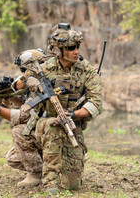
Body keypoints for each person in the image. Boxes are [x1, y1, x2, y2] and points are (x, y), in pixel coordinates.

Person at [34, 23, 102, 194]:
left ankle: (56, 168)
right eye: (71, 48)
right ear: (58, 50)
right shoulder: (44, 69)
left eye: (77, 47)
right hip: (47, 124)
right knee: (53, 126)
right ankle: (50, 181)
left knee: (73, 184)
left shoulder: (87, 70)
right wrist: (32, 83)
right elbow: (20, 85)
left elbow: (95, 103)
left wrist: (73, 114)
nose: (76, 51)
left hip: (73, 124)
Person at [0, 49, 46, 188]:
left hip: (52, 131)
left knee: (19, 130)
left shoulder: (43, 85)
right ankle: (49, 168)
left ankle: (36, 174)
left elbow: (22, 116)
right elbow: (27, 105)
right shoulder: (34, 84)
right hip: (45, 129)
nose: (22, 74)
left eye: (24, 70)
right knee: (13, 159)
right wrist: (9, 97)